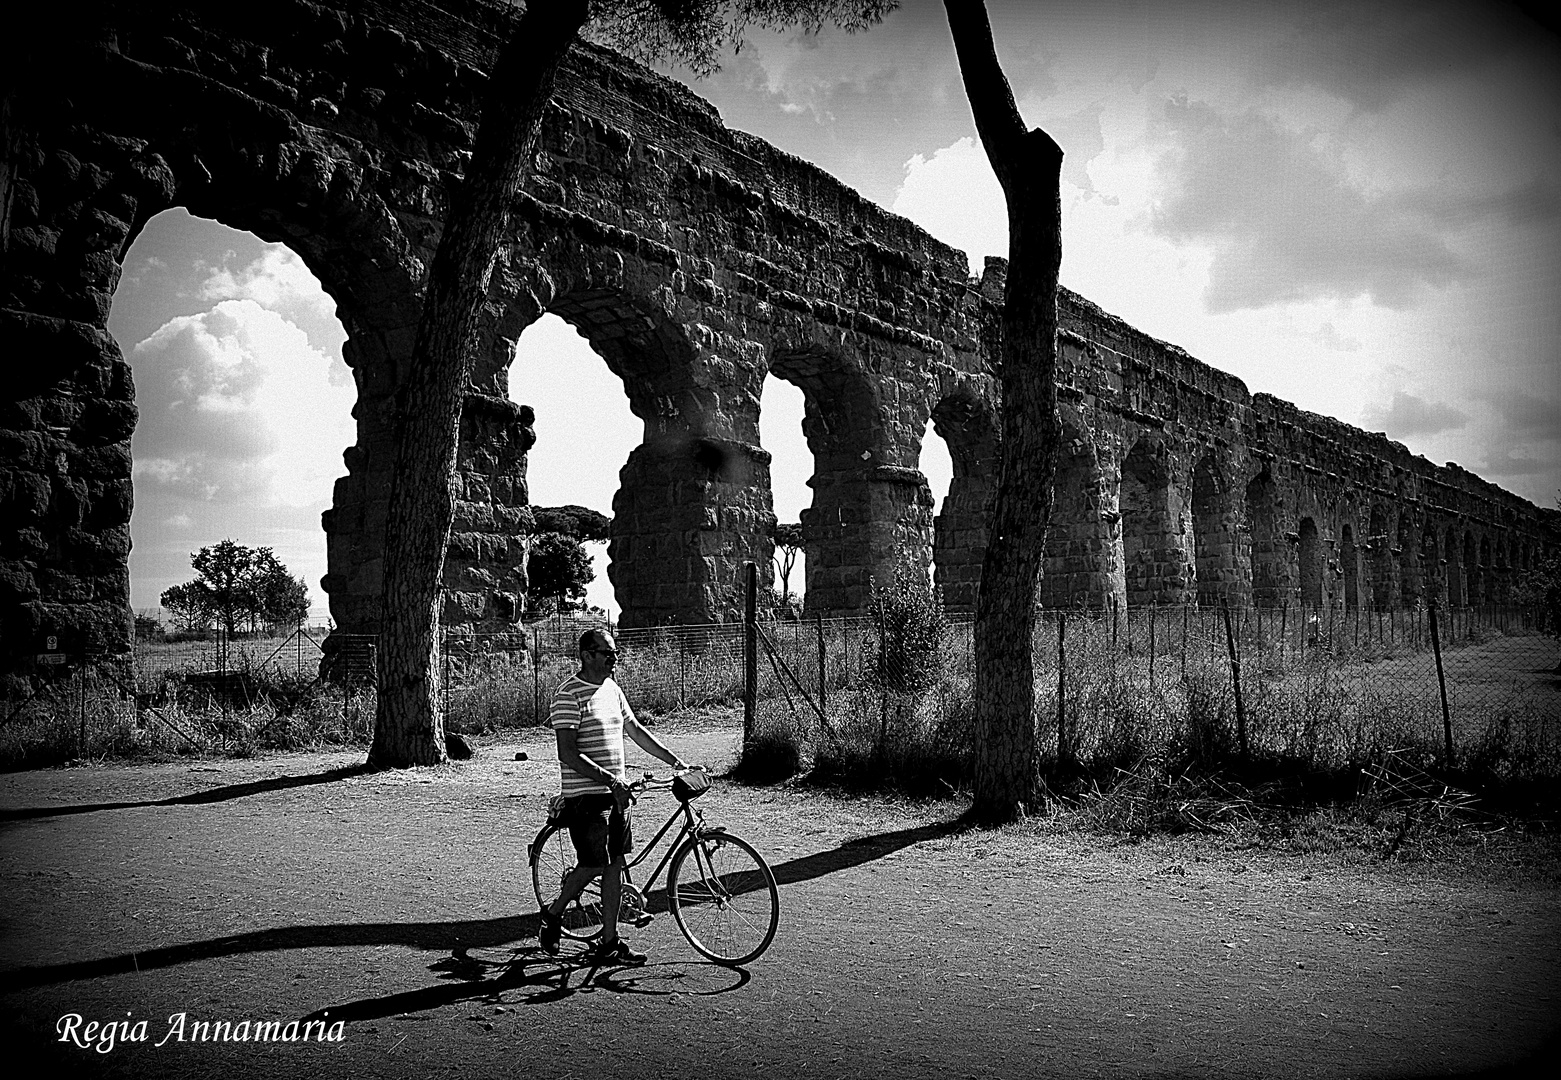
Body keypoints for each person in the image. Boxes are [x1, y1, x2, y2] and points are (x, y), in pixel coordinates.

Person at [539, 628, 690, 964]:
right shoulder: (568, 694)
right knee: (595, 864)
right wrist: (609, 779)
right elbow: (567, 752)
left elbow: (634, 730)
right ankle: (553, 913)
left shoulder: (612, 690)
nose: (614, 660)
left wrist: (674, 760)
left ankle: (608, 943)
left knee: (614, 865)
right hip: (587, 796)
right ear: (587, 655)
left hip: (617, 795)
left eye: (615, 653)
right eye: (608, 653)